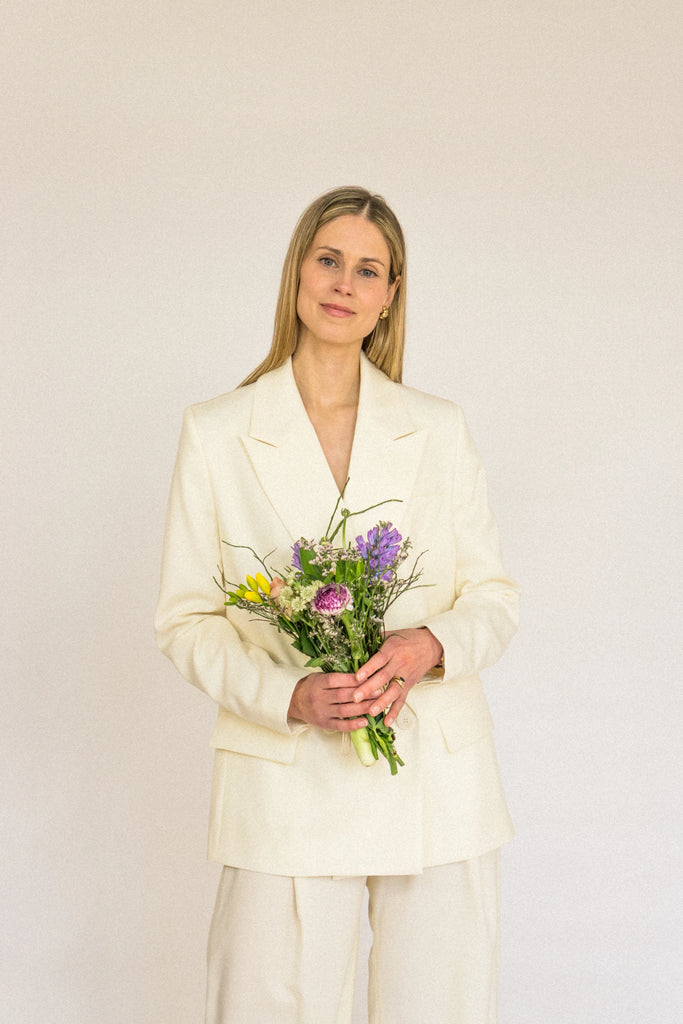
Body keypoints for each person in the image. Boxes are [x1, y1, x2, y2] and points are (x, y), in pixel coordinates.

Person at [155, 186, 520, 1024]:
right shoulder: (217, 431)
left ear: (390, 293)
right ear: (296, 272)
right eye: (328, 259)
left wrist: (429, 643)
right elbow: (182, 618)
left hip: (434, 774)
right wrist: (284, 694)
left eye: (367, 268)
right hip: (283, 777)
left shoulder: (437, 427)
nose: (343, 283)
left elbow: (493, 597)